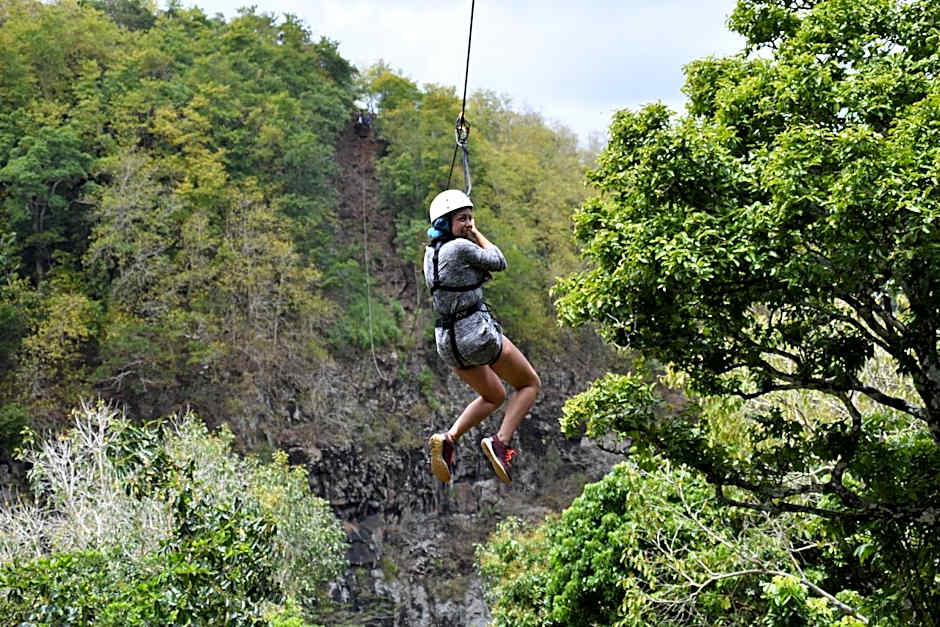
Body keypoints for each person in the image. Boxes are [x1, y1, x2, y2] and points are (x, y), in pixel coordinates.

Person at [423, 189, 541, 484]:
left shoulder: (430, 254)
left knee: (494, 395)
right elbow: (498, 260)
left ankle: (449, 438)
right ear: (444, 222)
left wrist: (464, 225)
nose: (468, 223)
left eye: (470, 218)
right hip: (476, 335)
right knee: (528, 384)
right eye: (462, 219)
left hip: (448, 343)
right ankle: (499, 442)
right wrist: (477, 233)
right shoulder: (461, 248)